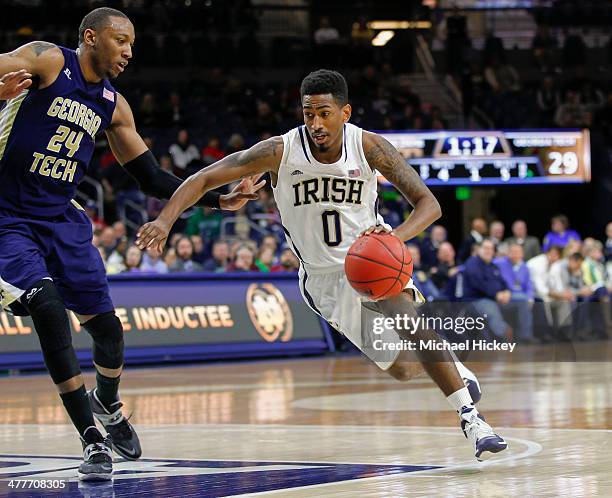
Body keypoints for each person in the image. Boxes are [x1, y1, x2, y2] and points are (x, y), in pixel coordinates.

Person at [137, 69, 507, 461]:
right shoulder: (279, 152)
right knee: (401, 368)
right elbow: (204, 177)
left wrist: (393, 240)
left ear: (345, 112)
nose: (315, 123)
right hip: (323, 279)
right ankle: (449, 366)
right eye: (308, 113)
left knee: (410, 322)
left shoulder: (369, 147)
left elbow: (429, 204)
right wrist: (166, 219)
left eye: (324, 113)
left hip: (373, 262)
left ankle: (471, 419)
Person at [0, 7, 263, 481]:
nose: (128, 52)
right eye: (120, 41)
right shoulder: (46, 60)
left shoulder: (113, 104)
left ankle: (109, 403)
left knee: (109, 332)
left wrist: (219, 200)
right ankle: (91, 439)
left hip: (63, 220)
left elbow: (150, 176)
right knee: (49, 308)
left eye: (132, 45)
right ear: (90, 37)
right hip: (9, 219)